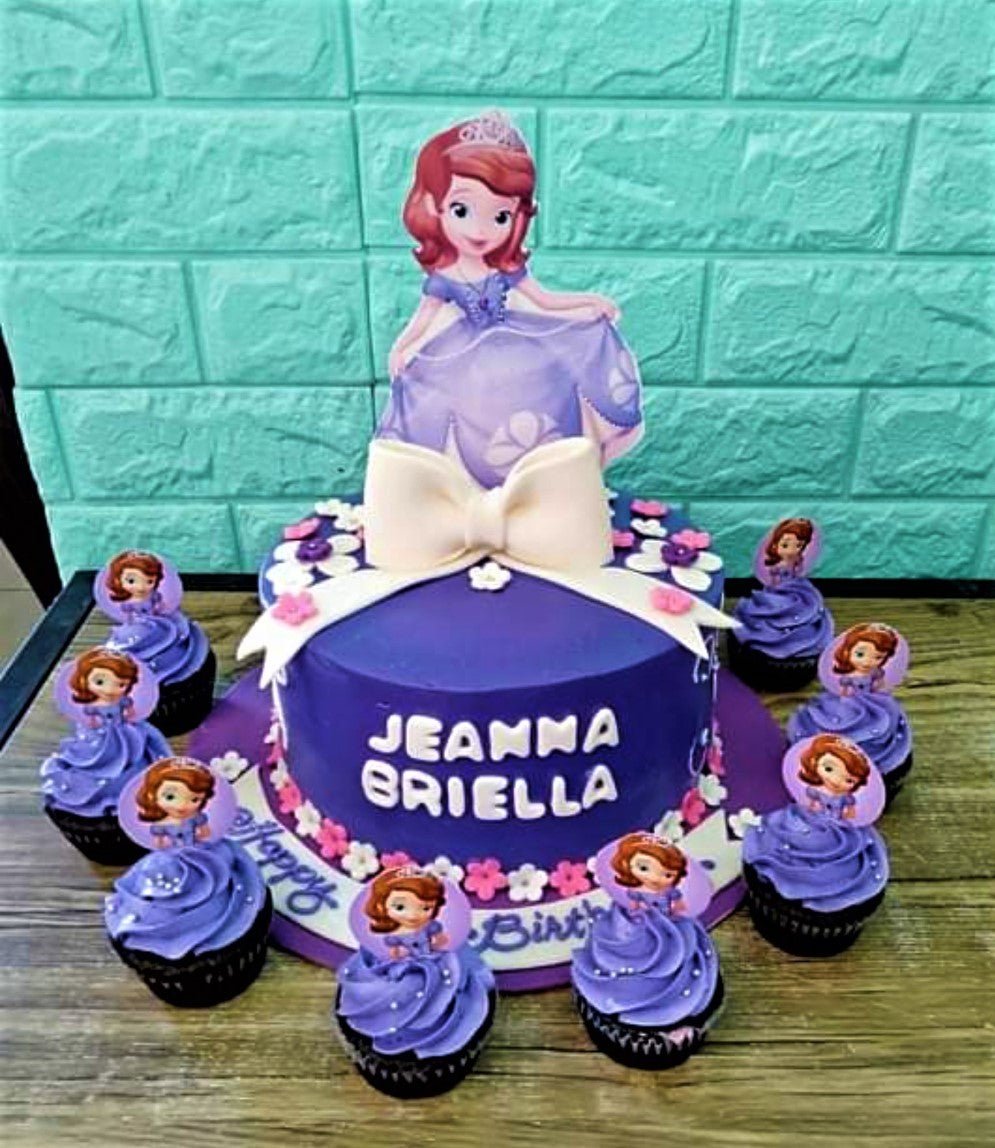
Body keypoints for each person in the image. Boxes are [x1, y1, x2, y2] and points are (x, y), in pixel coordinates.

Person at [376, 110, 643, 489]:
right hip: (461, 354)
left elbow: (545, 301)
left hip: (517, 341)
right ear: (435, 207)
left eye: (501, 216)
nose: (480, 229)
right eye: (462, 210)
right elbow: (423, 320)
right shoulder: (444, 279)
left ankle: (539, 485)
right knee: (458, 407)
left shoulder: (504, 270)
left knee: (544, 391)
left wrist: (588, 303)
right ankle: (466, 494)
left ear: (518, 217)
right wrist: (401, 349)